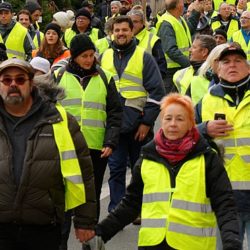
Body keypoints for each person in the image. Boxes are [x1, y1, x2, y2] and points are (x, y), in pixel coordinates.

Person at [90, 93, 241, 250]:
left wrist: (232, 243)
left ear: (191, 123)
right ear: (161, 122)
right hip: (152, 245)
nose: (173, 124)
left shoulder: (207, 158)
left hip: (193, 245)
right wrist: (100, 233)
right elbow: (131, 204)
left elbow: (225, 205)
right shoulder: (147, 157)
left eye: (180, 119)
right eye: (168, 118)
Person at [0, 58, 96, 250]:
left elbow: (84, 171)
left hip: (44, 227)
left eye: (20, 80)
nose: (13, 85)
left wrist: (85, 221)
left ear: (31, 83)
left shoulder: (59, 120)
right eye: (6, 80)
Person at [55, 33, 122, 249]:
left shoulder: (105, 77)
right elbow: (47, 109)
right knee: (64, 201)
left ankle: (90, 243)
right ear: (74, 57)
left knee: (89, 200)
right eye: (84, 55)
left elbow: (114, 112)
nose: (89, 59)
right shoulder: (58, 76)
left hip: (95, 148)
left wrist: (110, 141)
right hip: (65, 149)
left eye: (92, 55)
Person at [100, 15, 165, 213]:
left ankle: (138, 210)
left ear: (132, 32)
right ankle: (117, 211)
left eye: (124, 30)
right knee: (117, 169)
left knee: (142, 171)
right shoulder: (104, 56)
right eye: (117, 30)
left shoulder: (144, 56)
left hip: (139, 126)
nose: (120, 34)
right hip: (115, 127)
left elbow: (157, 92)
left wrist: (146, 123)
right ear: (112, 33)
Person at [195, 44, 250, 249]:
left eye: (238, 61)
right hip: (222, 197)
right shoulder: (206, 101)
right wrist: (203, 129)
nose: (232, 66)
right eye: (226, 62)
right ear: (217, 69)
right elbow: (181, 137)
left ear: (248, 67)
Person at [156, 0, 201, 93]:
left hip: (180, 68)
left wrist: (196, 12)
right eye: (182, 3)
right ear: (179, 6)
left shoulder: (178, 19)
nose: (184, 5)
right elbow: (171, 50)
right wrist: (190, 64)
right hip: (171, 72)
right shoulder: (166, 23)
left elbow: (189, 28)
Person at [173, 34, 216, 104]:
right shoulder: (181, 73)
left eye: (193, 47)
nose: (190, 50)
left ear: (204, 52)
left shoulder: (214, 74)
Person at [127, 9, 168, 80]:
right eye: (129, 22)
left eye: (135, 22)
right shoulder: (122, 38)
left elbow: (161, 68)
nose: (132, 25)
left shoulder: (153, 39)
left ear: (142, 23)